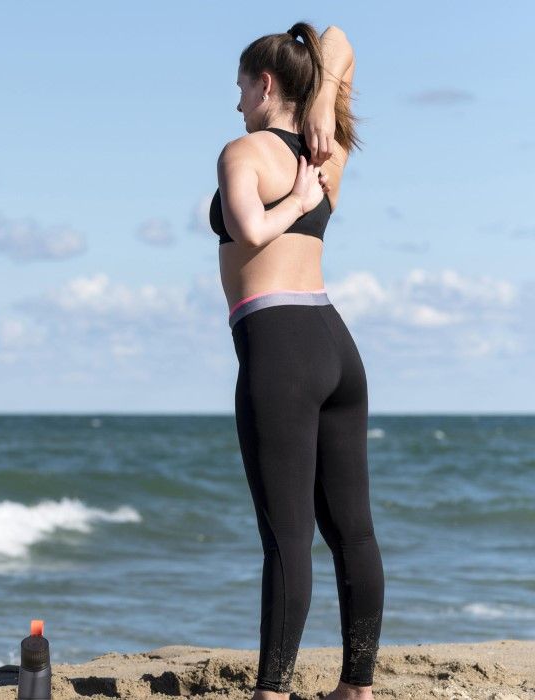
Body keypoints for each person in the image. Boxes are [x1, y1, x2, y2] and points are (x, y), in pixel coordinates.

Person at [210, 24, 383, 700]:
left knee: (286, 537)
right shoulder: (326, 150)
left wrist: (293, 204)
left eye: (241, 88)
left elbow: (250, 228)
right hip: (336, 346)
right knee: (353, 531)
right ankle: (356, 687)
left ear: (266, 84)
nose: (238, 104)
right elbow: (338, 39)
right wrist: (322, 104)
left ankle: (272, 691)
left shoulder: (243, 151)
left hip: (279, 347)